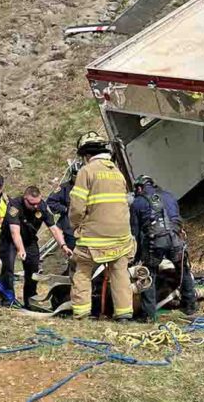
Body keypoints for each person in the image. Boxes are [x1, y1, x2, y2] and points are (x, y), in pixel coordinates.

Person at [69, 132, 135, 322]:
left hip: (94, 237)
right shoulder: (117, 172)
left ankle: (81, 313)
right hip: (122, 237)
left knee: (82, 270)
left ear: (86, 155)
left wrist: (76, 225)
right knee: (120, 273)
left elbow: (77, 208)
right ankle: (124, 314)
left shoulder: (86, 171)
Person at [130, 175, 196, 321]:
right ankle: (190, 305)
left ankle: (149, 315)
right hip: (175, 240)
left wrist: (137, 257)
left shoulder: (138, 202)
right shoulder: (170, 196)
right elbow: (177, 219)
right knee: (183, 270)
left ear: (139, 187)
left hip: (155, 243)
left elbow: (135, 232)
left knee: (148, 275)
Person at [0, 186, 72, 308]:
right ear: (25, 198)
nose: (36, 206)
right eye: (32, 204)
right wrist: (20, 249)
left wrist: (63, 245)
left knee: (33, 271)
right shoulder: (15, 206)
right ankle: (8, 299)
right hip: (10, 240)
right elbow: (14, 232)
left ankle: (30, 299)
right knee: (8, 269)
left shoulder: (42, 206)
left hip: (29, 240)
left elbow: (53, 228)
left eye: (37, 203)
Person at [46, 161, 81, 252]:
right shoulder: (64, 188)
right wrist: (65, 209)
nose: (78, 177)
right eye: (75, 175)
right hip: (70, 228)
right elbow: (50, 202)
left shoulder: (90, 186)